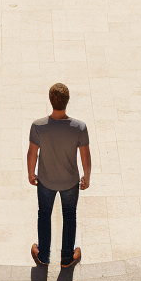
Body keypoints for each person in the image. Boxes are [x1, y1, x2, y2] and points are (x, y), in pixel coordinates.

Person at [27, 83, 91, 268]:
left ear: (50, 100)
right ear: (67, 101)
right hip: (70, 182)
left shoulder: (38, 126)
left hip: (45, 181)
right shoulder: (79, 127)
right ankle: (67, 258)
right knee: (69, 216)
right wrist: (86, 176)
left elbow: (32, 153)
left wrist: (31, 173)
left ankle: (43, 256)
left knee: (44, 215)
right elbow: (85, 155)